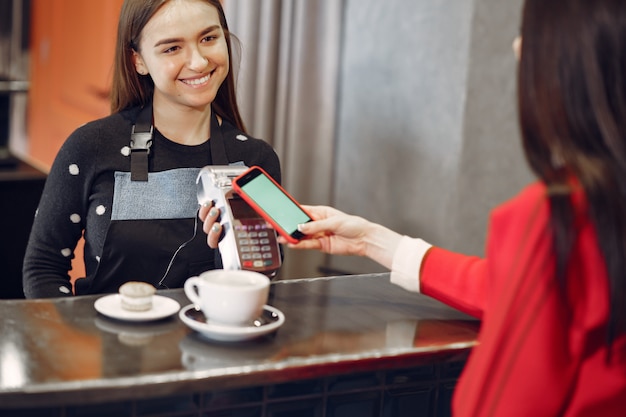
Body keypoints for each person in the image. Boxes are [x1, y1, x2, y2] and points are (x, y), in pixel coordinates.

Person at [209, 0, 626, 415]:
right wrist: (372, 240)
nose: (518, 47)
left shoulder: (554, 220)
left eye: (533, 36)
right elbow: (504, 288)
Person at [22, 0, 281, 298]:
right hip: (108, 340)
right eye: (172, 48)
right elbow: (43, 267)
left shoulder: (255, 161)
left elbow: (261, 280)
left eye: (208, 38)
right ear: (138, 61)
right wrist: (73, 341)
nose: (198, 62)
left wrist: (229, 250)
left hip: (212, 341)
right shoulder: (90, 147)